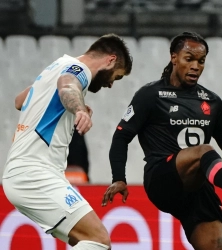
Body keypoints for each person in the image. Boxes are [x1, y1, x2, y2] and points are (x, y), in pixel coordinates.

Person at [101, 32, 222, 249]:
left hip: (197, 189)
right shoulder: (150, 95)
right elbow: (121, 136)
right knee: (203, 151)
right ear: (174, 58)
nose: (196, 66)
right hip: (162, 179)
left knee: (218, 245)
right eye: (189, 59)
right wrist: (119, 177)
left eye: (201, 61)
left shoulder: (211, 101)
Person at [2, 33, 132, 250]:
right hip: (34, 173)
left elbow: (20, 101)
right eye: (116, 76)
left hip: (24, 173)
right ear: (110, 60)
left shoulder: (56, 66)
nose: (111, 84)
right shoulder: (77, 69)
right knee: (98, 240)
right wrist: (79, 108)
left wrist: (72, 107)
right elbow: (67, 85)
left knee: (88, 242)